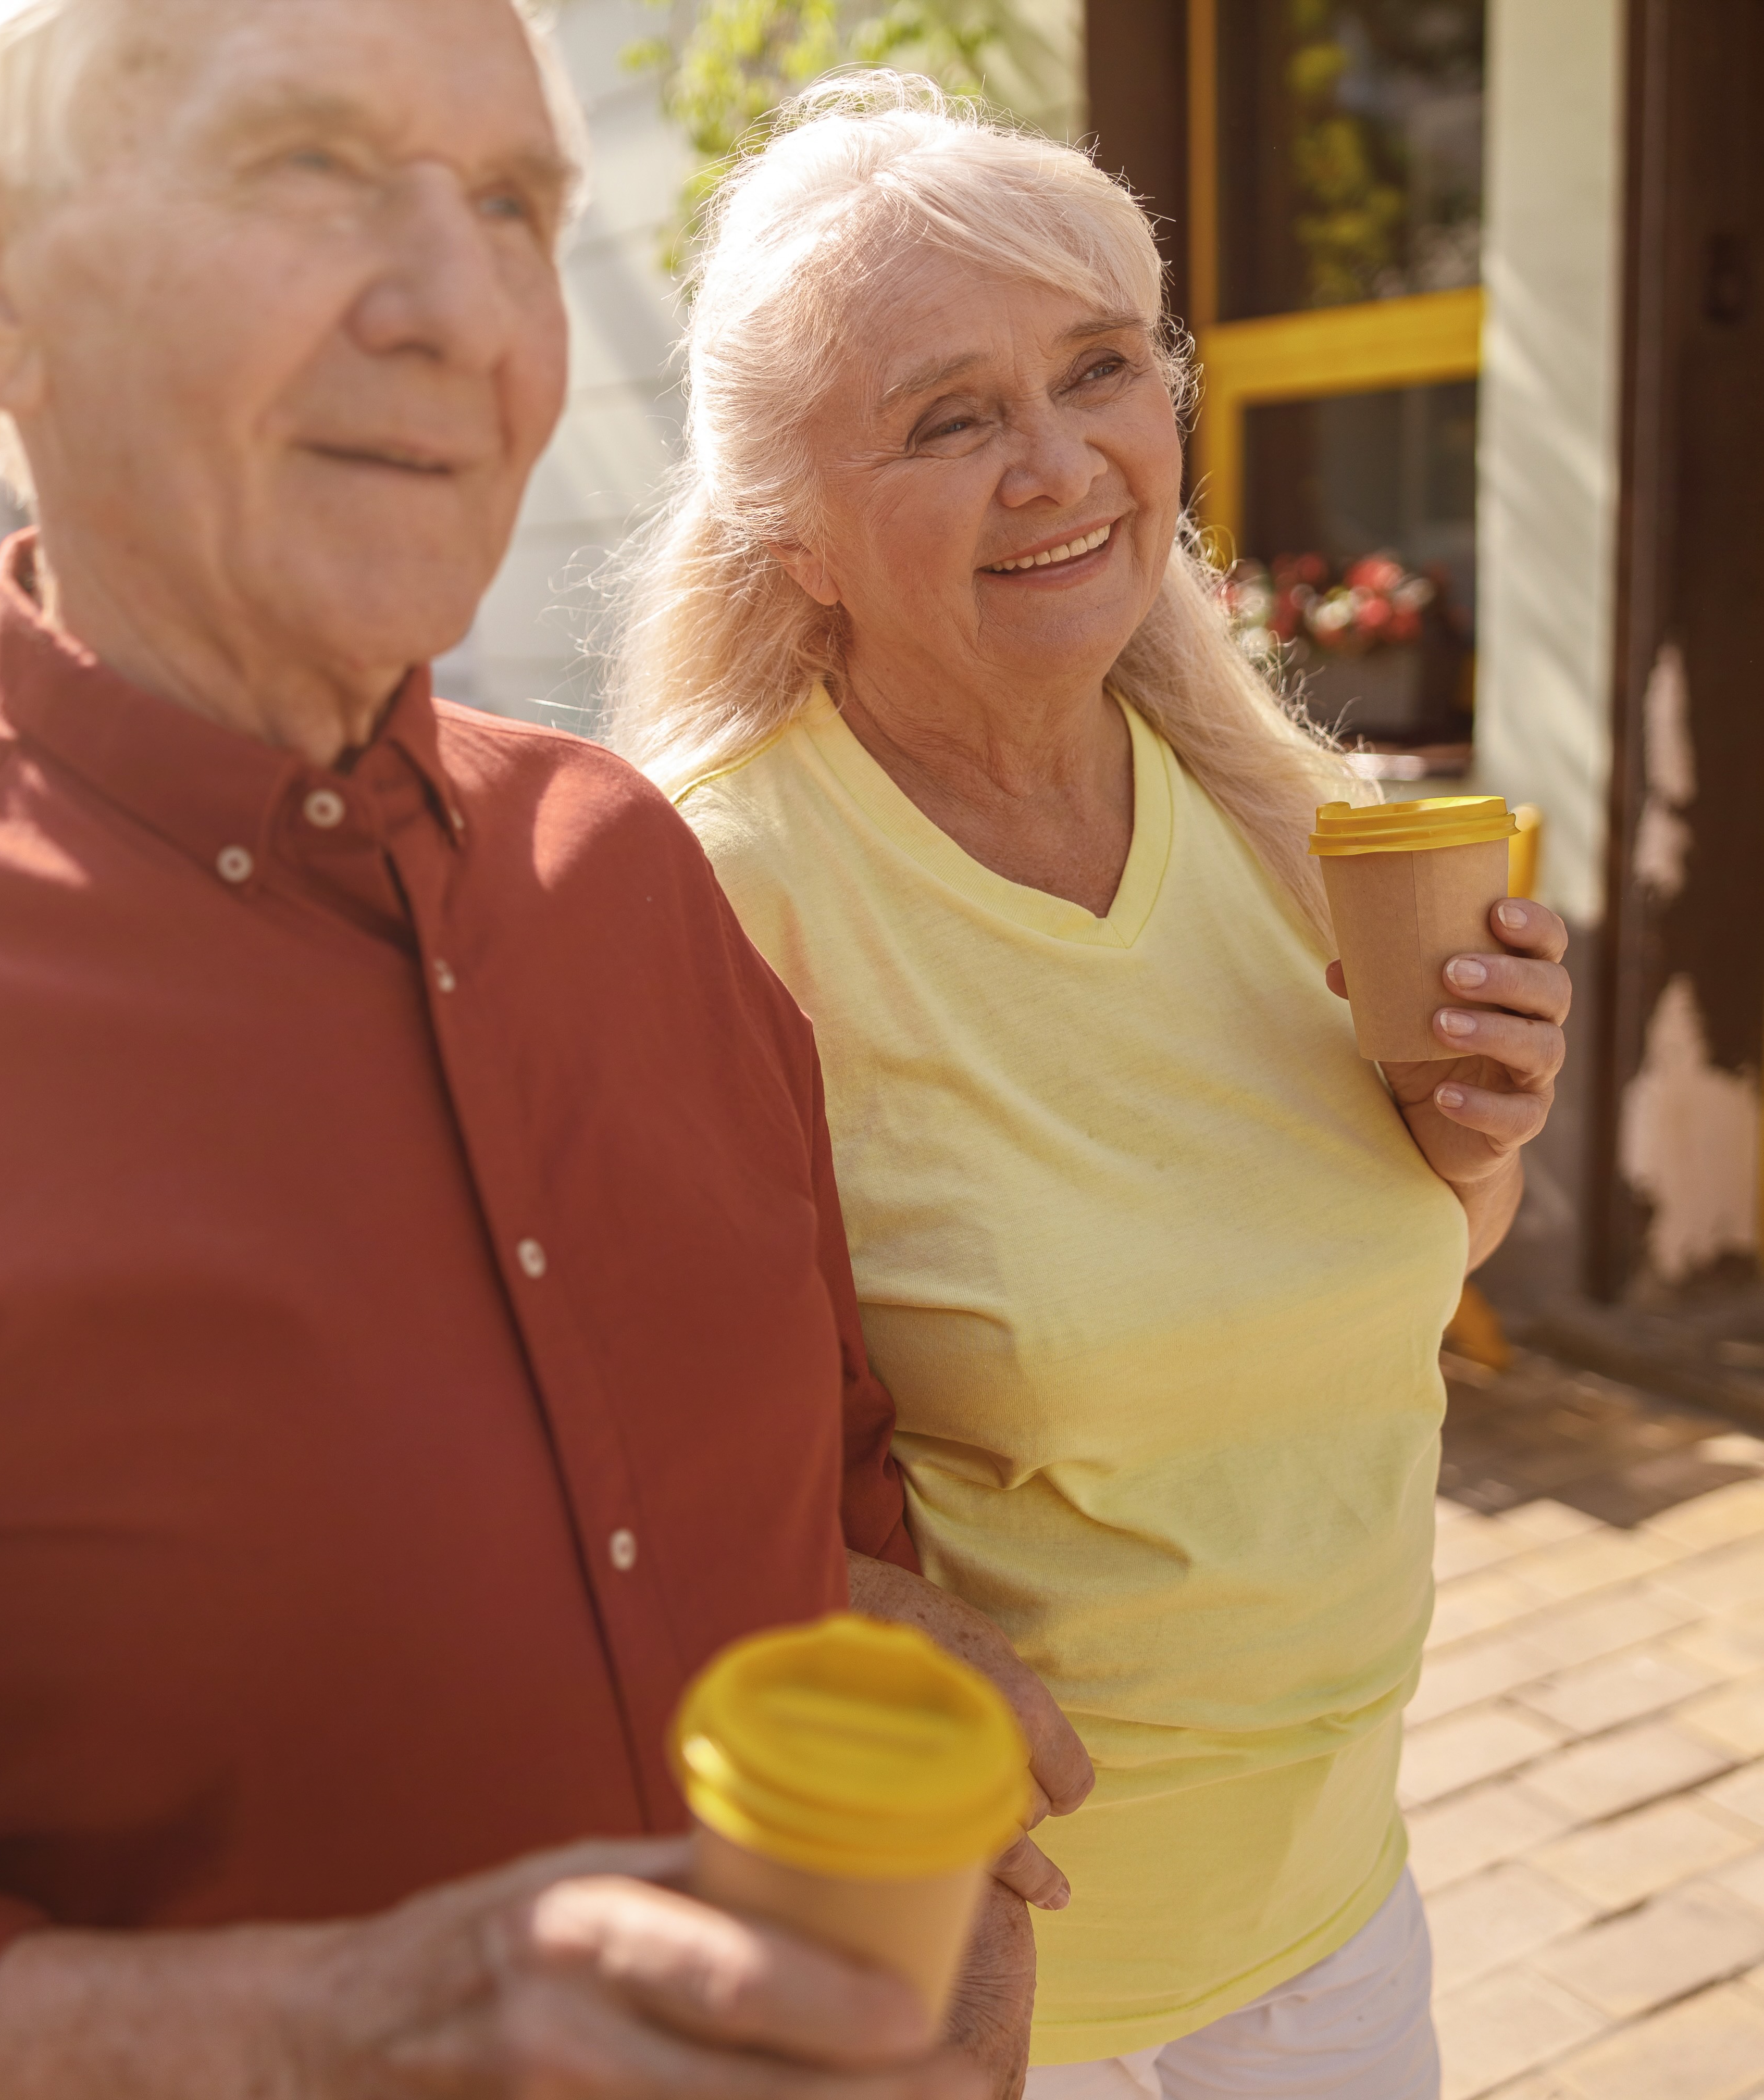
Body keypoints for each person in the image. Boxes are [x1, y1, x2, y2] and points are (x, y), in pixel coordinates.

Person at [0, 15, 1090, 2099]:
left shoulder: (625, 872)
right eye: (312, 170)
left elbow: (820, 1473)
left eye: (516, 205)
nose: (461, 313)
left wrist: (926, 1827)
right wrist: (295, 2034)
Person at [613, 77, 1572, 2100]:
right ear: (787, 519)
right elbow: (628, 1469)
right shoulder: (717, 895)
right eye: (950, 418)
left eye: (1100, 371)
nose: (1057, 465)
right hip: (990, 1987)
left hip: (1335, 1920)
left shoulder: (1285, 818)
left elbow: (1362, 1281)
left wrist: (1467, 1149)